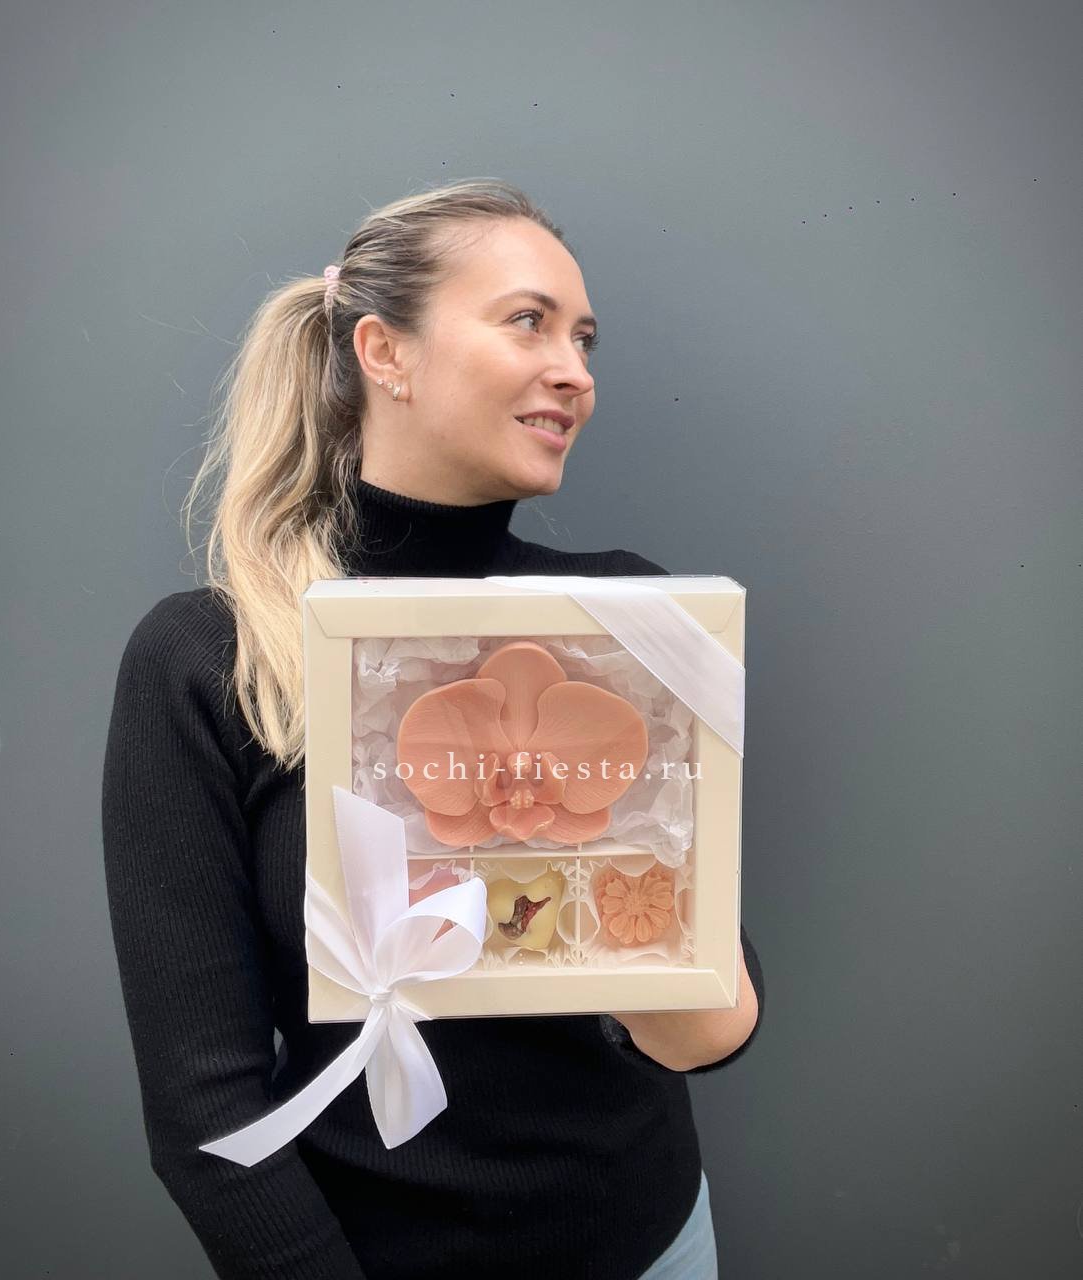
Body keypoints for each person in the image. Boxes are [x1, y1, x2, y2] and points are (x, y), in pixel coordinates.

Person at [102, 179, 763, 1280]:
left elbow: (711, 1027)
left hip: (652, 1242)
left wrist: (595, 865)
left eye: (584, 338)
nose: (575, 371)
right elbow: (202, 1105)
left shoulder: (635, 627)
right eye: (528, 320)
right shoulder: (214, 659)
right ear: (385, 351)